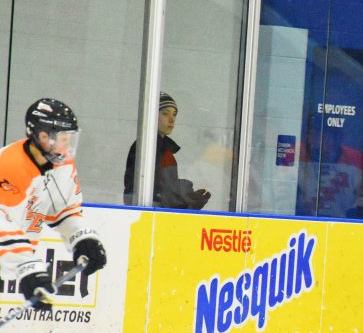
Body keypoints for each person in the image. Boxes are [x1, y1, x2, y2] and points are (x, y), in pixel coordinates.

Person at [0, 99, 107, 308]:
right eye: (61, 138)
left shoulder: (62, 163)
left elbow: (64, 211)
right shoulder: (9, 165)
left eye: (69, 138)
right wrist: (26, 266)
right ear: (41, 136)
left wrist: (81, 237)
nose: (66, 145)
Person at [123, 92, 211, 209]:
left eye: (174, 115)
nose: (171, 120)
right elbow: (155, 193)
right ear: (151, 115)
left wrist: (187, 199)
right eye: (165, 114)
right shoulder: (147, 147)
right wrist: (187, 200)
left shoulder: (163, 148)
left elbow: (165, 190)